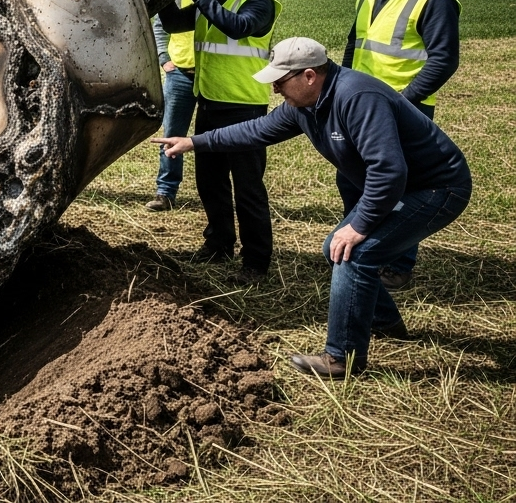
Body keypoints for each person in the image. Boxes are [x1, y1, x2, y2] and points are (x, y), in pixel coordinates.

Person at [154, 38, 470, 378]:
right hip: (403, 187)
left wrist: (359, 225)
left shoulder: (357, 97)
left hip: (437, 188)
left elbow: (389, 170)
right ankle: (385, 323)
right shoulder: (306, 104)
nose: (275, 89)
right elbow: (257, 130)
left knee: (354, 252)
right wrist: (195, 142)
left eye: (280, 81)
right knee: (334, 248)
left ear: (308, 76)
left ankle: (341, 358)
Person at [341, 0, 461, 292]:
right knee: (352, 179)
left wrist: (403, 104)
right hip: (360, 107)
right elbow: (354, 43)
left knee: (402, 186)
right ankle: (362, 249)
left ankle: (398, 263)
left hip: (404, 110)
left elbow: (443, 60)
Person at [157, 0, 281, 284]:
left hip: (245, 110)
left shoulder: (259, 1)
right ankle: (219, 245)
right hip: (210, 104)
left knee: (248, 189)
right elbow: (171, 23)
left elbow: (238, 27)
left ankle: (256, 262)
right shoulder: (208, 0)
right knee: (209, 183)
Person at [147, 0, 196, 211]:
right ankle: (165, 193)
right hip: (180, 75)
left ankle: (215, 193)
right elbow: (160, 25)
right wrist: (164, 59)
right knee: (171, 136)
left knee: (215, 136)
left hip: (212, 74)